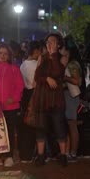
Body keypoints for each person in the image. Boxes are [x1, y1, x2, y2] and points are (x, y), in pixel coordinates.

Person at [33, 33, 68, 167]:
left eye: (52, 42)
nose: (49, 44)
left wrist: (53, 56)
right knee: (41, 127)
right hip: (42, 98)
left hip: (56, 98)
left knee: (59, 127)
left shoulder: (63, 58)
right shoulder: (42, 57)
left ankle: (63, 155)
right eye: (48, 42)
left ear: (58, 44)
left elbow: (58, 72)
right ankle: (41, 156)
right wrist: (46, 78)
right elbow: (37, 76)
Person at [0, 43, 24, 167]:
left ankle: (9, 156)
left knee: (9, 131)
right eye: (0, 53)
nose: (2, 56)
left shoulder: (14, 68)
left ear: (9, 56)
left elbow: (20, 86)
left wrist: (13, 98)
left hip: (10, 106)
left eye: (5, 54)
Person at [18, 41, 41, 163]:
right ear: (36, 51)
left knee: (27, 125)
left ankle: (25, 154)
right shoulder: (36, 64)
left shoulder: (23, 64)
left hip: (25, 96)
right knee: (35, 125)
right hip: (35, 95)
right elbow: (36, 83)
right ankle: (34, 153)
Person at [60, 36, 82, 162]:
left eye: (62, 48)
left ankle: (73, 152)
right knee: (67, 125)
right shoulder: (69, 63)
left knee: (71, 125)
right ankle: (68, 152)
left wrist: (64, 77)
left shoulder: (72, 64)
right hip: (66, 95)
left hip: (70, 95)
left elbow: (76, 81)